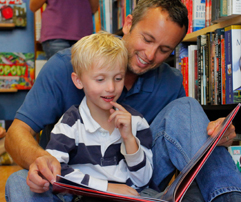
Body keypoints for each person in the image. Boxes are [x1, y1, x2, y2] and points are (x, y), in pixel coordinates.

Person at [5, 0, 241, 201]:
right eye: (147, 39)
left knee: (189, 107)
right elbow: (17, 134)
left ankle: (230, 197)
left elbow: (185, 138)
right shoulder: (66, 66)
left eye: (164, 49)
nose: (150, 55)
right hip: (71, 186)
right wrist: (43, 162)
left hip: (135, 187)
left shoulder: (169, 80)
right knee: (19, 182)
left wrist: (216, 134)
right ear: (128, 24)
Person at [38, 31, 153, 201]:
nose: (111, 88)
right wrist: (106, 188)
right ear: (78, 81)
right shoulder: (70, 123)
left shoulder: (136, 121)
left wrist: (129, 139)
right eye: (100, 79)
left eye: (118, 78)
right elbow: (55, 171)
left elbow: (143, 181)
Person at [29, 0, 99, 59]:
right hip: (56, 34)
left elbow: (94, 8)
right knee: (61, 72)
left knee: (83, 73)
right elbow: (33, 6)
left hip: (82, 35)